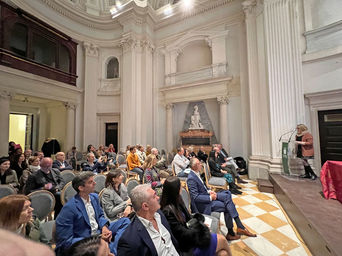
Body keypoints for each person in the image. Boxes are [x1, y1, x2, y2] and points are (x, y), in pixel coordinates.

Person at [55, 171, 130, 256]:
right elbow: (65, 241)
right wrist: (97, 238)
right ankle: (110, 249)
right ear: (81, 188)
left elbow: (100, 215)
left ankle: (111, 249)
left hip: (98, 232)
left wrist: (104, 227)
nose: (95, 183)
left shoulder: (94, 197)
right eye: (90, 182)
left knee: (125, 221)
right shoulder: (69, 208)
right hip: (86, 239)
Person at [187, 158, 256, 241]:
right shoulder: (191, 178)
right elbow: (195, 197)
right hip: (204, 205)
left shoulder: (197, 173)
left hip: (207, 196)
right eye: (199, 164)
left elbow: (203, 188)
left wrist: (210, 192)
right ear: (194, 166)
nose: (201, 165)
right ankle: (235, 230)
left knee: (227, 194)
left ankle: (237, 229)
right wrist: (210, 197)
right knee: (229, 206)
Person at [161, 176, 232, 256]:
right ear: (176, 190)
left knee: (223, 254)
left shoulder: (178, 199)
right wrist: (201, 231)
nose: (182, 187)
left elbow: (188, 218)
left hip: (190, 235)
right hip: (186, 245)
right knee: (222, 239)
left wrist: (200, 225)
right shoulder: (167, 212)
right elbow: (182, 235)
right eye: (180, 186)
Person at [117, 184, 181, 256]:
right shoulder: (130, 240)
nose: (158, 198)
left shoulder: (159, 215)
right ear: (145, 206)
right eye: (154, 196)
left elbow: (173, 243)